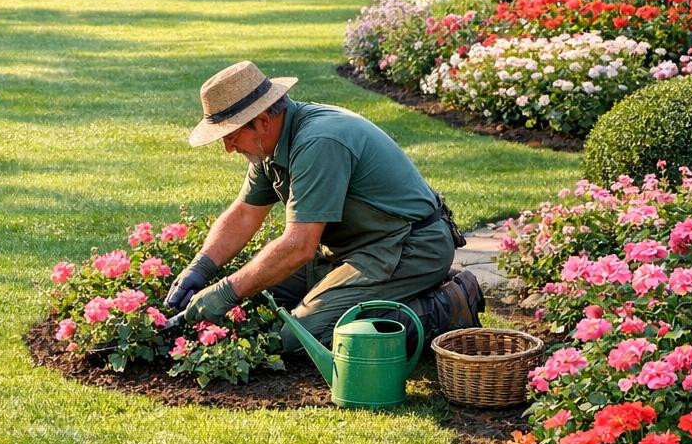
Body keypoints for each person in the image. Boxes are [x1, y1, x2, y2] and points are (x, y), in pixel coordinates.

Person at [165, 60, 482, 356]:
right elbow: (245, 213)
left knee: (304, 338)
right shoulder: (270, 144)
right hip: (352, 249)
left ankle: (448, 303)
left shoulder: (318, 141)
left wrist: (225, 291)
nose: (228, 147)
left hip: (408, 247)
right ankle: (388, 294)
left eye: (231, 135)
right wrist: (200, 268)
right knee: (259, 301)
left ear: (262, 121)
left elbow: (299, 246)